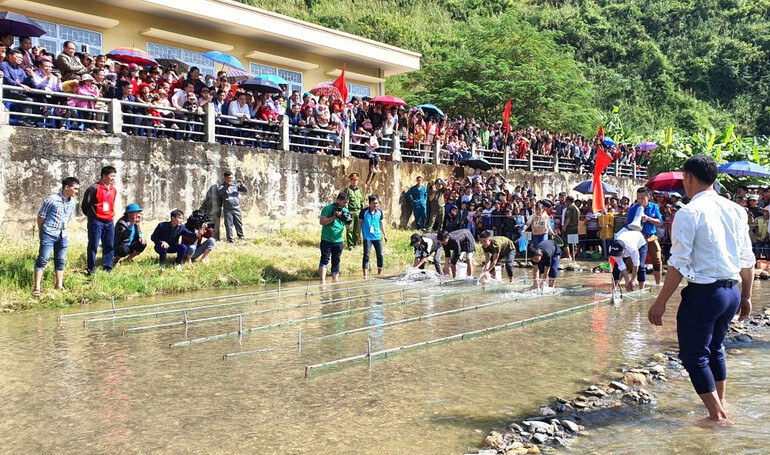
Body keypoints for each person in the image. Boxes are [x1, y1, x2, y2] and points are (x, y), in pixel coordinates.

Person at [648, 155, 754, 424]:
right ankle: (721, 401)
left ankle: (717, 417)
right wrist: (747, 296)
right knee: (715, 349)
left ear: (689, 178)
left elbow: (679, 262)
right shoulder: (736, 210)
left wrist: (660, 302)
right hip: (731, 292)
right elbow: (746, 258)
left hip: (706, 293)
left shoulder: (688, 212)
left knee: (693, 355)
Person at [32, 177, 80, 296]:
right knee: (43, 259)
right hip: (49, 233)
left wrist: (64, 232)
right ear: (66, 187)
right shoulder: (52, 199)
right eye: (75, 189)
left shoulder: (72, 203)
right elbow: (41, 216)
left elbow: (67, 220)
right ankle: (37, 287)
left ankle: (59, 285)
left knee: (61, 260)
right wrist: (41, 231)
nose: (77, 191)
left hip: (62, 235)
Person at [81, 165, 118, 275]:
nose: (113, 179)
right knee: (93, 245)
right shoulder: (94, 188)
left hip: (109, 221)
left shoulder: (113, 190)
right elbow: (85, 205)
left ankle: (108, 268)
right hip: (96, 221)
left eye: (114, 176)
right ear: (104, 176)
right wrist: (93, 216)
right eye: (112, 176)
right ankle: (91, 269)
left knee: (109, 245)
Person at [626, 187, 663, 284]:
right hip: (637, 238)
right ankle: (624, 282)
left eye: (643, 198)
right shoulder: (632, 209)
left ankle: (658, 284)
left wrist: (649, 219)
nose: (640, 200)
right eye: (638, 198)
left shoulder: (654, 207)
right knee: (630, 261)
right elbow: (627, 225)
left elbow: (659, 222)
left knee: (657, 260)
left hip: (651, 236)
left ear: (649, 197)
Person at [319, 192, 352, 284]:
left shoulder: (346, 210)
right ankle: (322, 282)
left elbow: (348, 227)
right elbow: (322, 222)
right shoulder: (328, 208)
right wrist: (334, 217)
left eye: (347, 203)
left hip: (338, 239)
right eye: (344, 202)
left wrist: (348, 222)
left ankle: (335, 282)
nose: (345, 204)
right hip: (327, 238)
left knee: (336, 261)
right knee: (325, 259)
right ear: (338, 200)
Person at [358, 195, 388, 279]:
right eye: (374, 203)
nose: (376, 205)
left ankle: (379, 274)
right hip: (367, 237)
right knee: (366, 255)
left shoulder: (380, 212)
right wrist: (359, 236)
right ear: (369, 203)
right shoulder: (364, 212)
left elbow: (381, 224)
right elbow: (359, 224)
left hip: (377, 236)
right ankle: (365, 276)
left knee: (380, 255)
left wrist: (385, 235)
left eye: (377, 203)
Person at [218, 171, 247, 243]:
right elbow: (220, 192)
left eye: (231, 178)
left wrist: (242, 184)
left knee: (239, 223)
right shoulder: (222, 186)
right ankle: (230, 239)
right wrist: (227, 185)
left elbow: (245, 190)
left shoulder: (235, 184)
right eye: (229, 178)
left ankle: (241, 236)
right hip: (228, 209)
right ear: (225, 178)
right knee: (228, 224)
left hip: (237, 207)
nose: (230, 179)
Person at [344, 173, 364, 249]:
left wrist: (362, 211)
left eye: (356, 180)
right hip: (350, 211)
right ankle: (350, 245)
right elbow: (345, 202)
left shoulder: (360, 190)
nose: (355, 182)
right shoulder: (347, 190)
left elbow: (361, 201)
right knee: (350, 228)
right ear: (350, 180)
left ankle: (355, 243)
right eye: (353, 180)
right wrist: (346, 212)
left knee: (357, 228)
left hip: (358, 211)